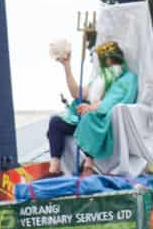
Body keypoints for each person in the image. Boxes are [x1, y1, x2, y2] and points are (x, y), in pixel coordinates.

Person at [47, 40, 138, 176]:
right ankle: (55, 167)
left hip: (101, 119)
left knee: (88, 117)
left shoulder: (127, 78)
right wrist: (67, 66)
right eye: (105, 61)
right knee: (55, 122)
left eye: (110, 60)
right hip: (83, 116)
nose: (108, 64)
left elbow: (115, 99)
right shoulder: (100, 79)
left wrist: (92, 108)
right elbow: (77, 93)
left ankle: (89, 165)